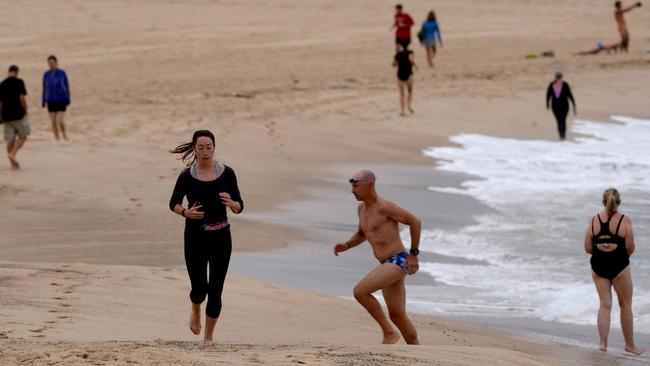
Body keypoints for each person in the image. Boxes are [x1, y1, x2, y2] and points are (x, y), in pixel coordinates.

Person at [169, 130, 244, 346]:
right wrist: (185, 212)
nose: (204, 151)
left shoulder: (227, 173)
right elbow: (173, 202)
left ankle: (208, 337)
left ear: (214, 147)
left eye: (208, 147)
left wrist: (232, 203)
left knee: (216, 289)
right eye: (200, 147)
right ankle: (195, 308)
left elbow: (240, 206)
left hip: (221, 237)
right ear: (194, 148)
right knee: (200, 288)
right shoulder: (186, 176)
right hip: (195, 238)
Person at [333, 170, 420, 345]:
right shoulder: (362, 209)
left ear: (370, 184)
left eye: (356, 186)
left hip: (398, 260)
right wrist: (347, 245)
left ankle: (389, 333)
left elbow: (415, 221)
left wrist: (413, 255)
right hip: (386, 263)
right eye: (352, 186)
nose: (352, 190)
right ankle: (417, 352)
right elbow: (361, 234)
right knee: (397, 315)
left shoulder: (384, 207)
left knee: (360, 292)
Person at [584, 188, 645, 356]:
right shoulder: (625, 220)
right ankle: (630, 345)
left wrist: (602, 250)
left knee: (605, 305)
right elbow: (630, 247)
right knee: (625, 305)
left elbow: (588, 247)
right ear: (619, 202)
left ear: (603, 202)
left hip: (599, 266)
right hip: (619, 266)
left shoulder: (594, 220)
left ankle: (603, 344)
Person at [0, 65, 30, 170]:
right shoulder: (19, 82)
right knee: (23, 136)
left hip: (6, 117)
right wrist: (26, 109)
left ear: (9, 72)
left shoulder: (2, 84)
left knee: (10, 141)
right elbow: (21, 97)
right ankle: (12, 154)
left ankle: (12, 165)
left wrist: (1, 116)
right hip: (18, 115)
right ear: (16, 72)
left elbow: (1, 103)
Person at [42, 55, 70, 140]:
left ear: (56, 63)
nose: (51, 64)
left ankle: (64, 135)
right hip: (50, 100)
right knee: (53, 121)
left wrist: (68, 98)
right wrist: (43, 100)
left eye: (52, 62)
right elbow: (44, 88)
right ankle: (57, 138)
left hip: (61, 100)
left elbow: (67, 86)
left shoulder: (62, 73)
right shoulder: (46, 74)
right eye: (49, 63)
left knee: (60, 121)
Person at [546, 70, 576, 140]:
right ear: (562, 76)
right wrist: (574, 105)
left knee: (559, 121)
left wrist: (547, 104)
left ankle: (561, 136)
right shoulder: (565, 84)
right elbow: (570, 95)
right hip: (564, 106)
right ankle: (563, 136)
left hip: (556, 106)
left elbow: (548, 95)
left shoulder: (552, 84)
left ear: (555, 76)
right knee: (563, 120)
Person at [393, 43, 417, 116]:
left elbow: (394, 64)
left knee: (402, 94)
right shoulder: (410, 52)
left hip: (400, 74)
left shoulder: (397, 55)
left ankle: (402, 111)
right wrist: (416, 66)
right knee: (409, 91)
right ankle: (409, 106)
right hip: (409, 74)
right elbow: (411, 60)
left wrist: (398, 62)